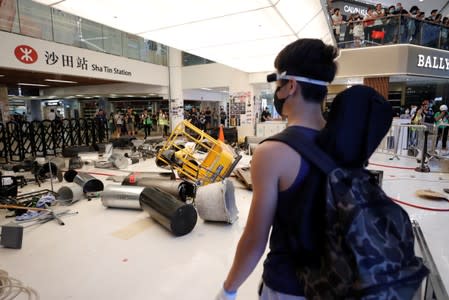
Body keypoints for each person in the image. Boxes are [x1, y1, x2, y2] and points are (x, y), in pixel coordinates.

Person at [217, 38, 338, 300]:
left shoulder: (273, 153)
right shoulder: (346, 143)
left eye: (278, 84)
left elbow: (254, 240)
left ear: (290, 86)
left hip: (289, 286)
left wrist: (228, 289)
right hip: (338, 284)